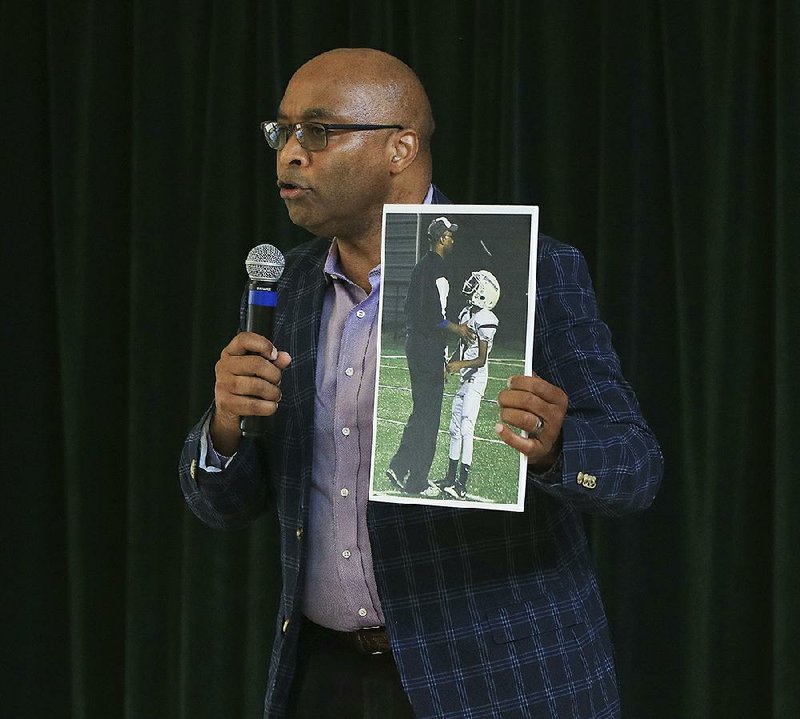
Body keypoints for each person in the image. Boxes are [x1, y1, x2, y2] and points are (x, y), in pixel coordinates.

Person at [179, 47, 663, 719]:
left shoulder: (532, 271)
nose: (290, 154)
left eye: (317, 131)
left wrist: (557, 448)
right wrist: (226, 427)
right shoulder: (281, 288)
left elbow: (635, 469)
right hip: (325, 679)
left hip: (495, 684)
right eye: (282, 132)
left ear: (400, 147)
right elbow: (227, 505)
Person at [386, 216, 474, 495]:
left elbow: (414, 309)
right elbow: (435, 316)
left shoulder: (421, 266)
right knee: (429, 416)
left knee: (420, 410)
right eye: (449, 235)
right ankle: (417, 481)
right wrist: (458, 329)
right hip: (427, 347)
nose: (452, 239)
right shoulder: (437, 268)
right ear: (440, 238)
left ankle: (399, 466)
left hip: (416, 345)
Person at [434, 269, 501, 500]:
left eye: (475, 284)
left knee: (466, 429)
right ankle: (450, 477)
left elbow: (481, 360)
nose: (469, 286)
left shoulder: (486, 319)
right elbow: (461, 348)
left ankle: (462, 484)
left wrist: (459, 365)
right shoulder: (467, 313)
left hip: (476, 379)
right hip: (465, 378)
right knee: (454, 429)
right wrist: (450, 364)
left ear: (484, 293)